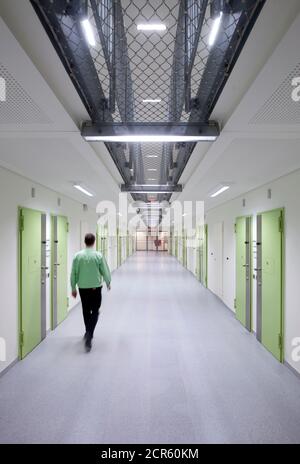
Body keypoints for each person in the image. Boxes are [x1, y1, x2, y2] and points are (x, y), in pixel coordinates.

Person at [70, 233, 111, 352]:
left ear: (84, 242)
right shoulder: (98, 255)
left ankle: (88, 331)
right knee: (95, 310)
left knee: (85, 310)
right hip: (95, 288)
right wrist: (108, 282)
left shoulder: (77, 256)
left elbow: (74, 273)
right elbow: (104, 269)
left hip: (82, 288)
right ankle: (89, 333)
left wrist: (73, 287)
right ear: (94, 242)